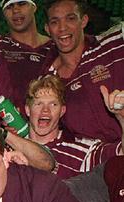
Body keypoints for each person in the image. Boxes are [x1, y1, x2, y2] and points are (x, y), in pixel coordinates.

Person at [41, 0, 124, 143]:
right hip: (94, 160)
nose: (62, 28)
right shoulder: (48, 81)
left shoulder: (113, 44)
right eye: (55, 22)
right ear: (47, 29)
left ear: (84, 20)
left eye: (70, 18)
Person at [24, 74, 123, 179]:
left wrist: (122, 119)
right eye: (39, 104)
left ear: (62, 111)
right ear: (27, 110)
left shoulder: (82, 150)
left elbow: (120, 153)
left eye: (53, 104)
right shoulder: (11, 147)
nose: (45, 110)